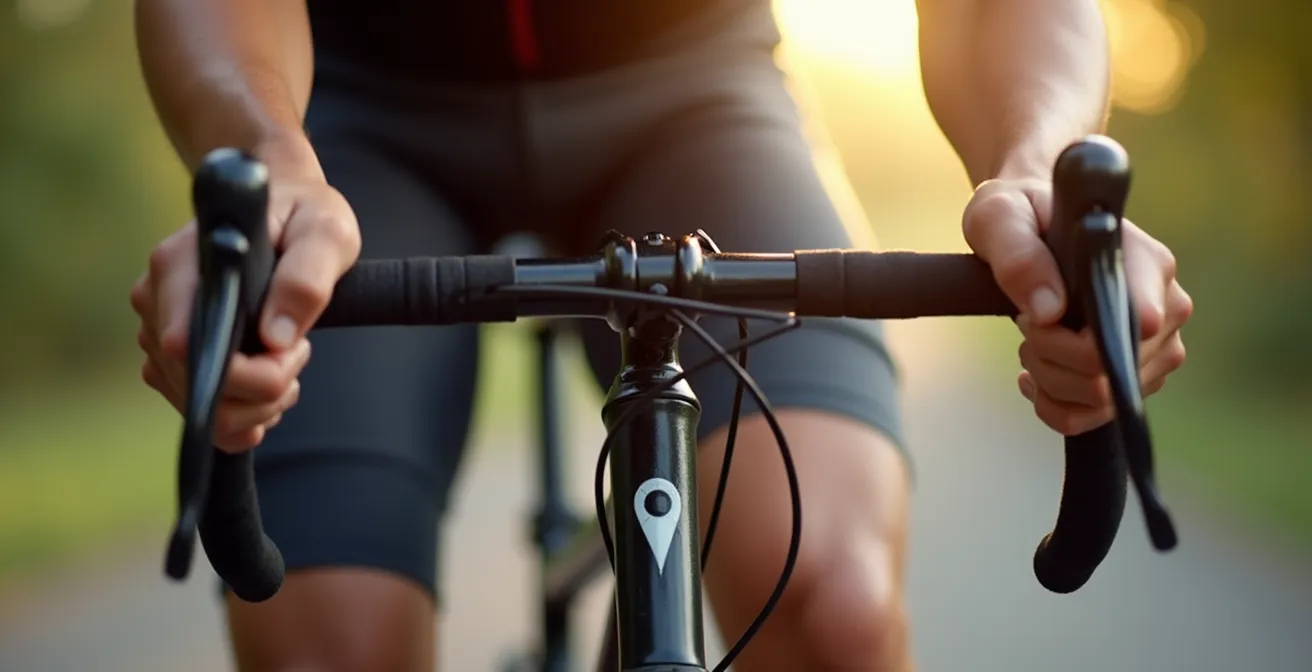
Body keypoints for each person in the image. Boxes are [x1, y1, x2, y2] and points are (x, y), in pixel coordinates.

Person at [129, 0, 1193, 669]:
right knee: (327, 645)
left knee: (833, 608)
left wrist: (1037, 166)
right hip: (357, 117)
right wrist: (266, 162)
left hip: (690, 97)